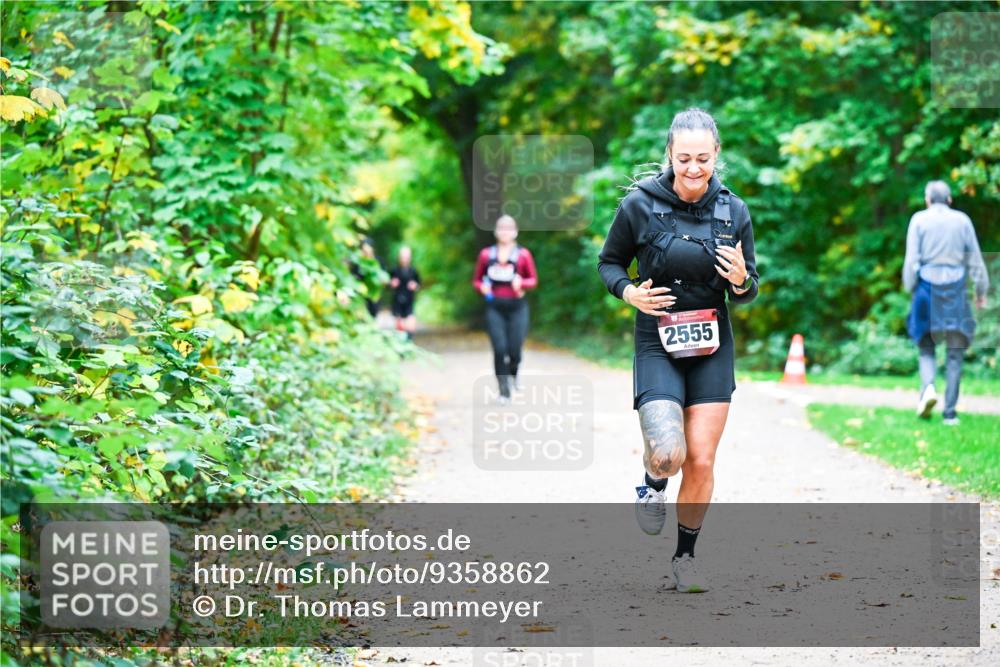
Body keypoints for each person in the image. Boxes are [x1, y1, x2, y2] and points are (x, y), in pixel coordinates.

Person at [597, 108, 759, 593]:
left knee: (703, 460)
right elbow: (608, 264)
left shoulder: (734, 210)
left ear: (716, 156)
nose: (693, 168)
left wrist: (740, 279)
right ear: (669, 153)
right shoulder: (640, 206)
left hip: (711, 340)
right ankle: (652, 482)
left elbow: (749, 287)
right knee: (669, 453)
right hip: (658, 339)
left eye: (703, 159)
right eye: (684, 157)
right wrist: (629, 292)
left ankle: (685, 558)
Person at [904, 180, 989, 426]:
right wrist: (981, 291)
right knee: (955, 353)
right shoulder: (962, 221)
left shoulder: (918, 220)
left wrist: (911, 288)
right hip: (955, 291)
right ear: (950, 199)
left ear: (927, 200)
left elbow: (911, 260)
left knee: (926, 347)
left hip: (926, 289)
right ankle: (950, 414)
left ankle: (928, 389)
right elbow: (975, 260)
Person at [472, 215, 538, 402]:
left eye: (509, 228)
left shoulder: (523, 255)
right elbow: (477, 280)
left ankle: (514, 374)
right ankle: (503, 391)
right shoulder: (486, 255)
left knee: (514, 349)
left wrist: (522, 283)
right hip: (495, 308)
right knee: (500, 349)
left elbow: (533, 280)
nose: (505, 232)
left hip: (517, 308)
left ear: (515, 231)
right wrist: (481, 287)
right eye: (501, 228)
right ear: (496, 231)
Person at [389, 246, 421, 341]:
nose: (404, 259)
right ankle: (401, 345)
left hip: (409, 300)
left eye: (406, 257)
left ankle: (409, 342)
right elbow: (388, 285)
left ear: (410, 258)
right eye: (402, 257)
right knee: (399, 324)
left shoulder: (413, 271)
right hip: (397, 300)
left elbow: (419, 285)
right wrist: (392, 284)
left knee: (410, 323)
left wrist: (415, 286)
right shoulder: (394, 270)